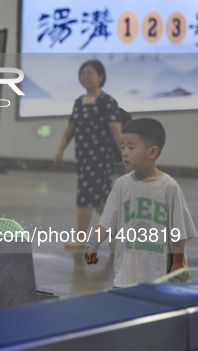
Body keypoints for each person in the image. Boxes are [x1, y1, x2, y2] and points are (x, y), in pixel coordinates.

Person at [85, 118, 197, 287]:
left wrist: (177, 264)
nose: (124, 152)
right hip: (125, 276)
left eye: (131, 147)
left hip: (159, 276)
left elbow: (178, 232)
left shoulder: (169, 187)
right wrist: (92, 245)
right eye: (122, 147)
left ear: (152, 152)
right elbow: (106, 221)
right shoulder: (121, 185)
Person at [54, 59, 122, 247]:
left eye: (90, 73)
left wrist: (126, 153)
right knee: (97, 199)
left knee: (87, 196)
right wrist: (60, 148)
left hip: (101, 159)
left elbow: (116, 130)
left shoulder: (107, 102)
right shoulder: (78, 102)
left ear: (101, 77)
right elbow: (70, 129)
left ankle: (81, 237)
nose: (86, 77)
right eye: (83, 73)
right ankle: (117, 231)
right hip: (84, 158)